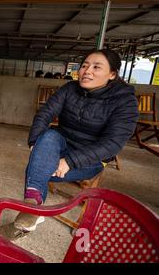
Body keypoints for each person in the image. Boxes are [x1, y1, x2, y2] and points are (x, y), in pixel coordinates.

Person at [13, 49, 139, 233]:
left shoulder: (125, 102)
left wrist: (70, 162)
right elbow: (45, 113)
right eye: (85, 66)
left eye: (96, 67)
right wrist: (34, 143)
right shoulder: (70, 88)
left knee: (39, 169)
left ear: (112, 74)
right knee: (48, 136)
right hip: (62, 144)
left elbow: (112, 144)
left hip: (91, 158)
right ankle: (33, 205)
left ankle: (33, 205)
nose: (87, 71)